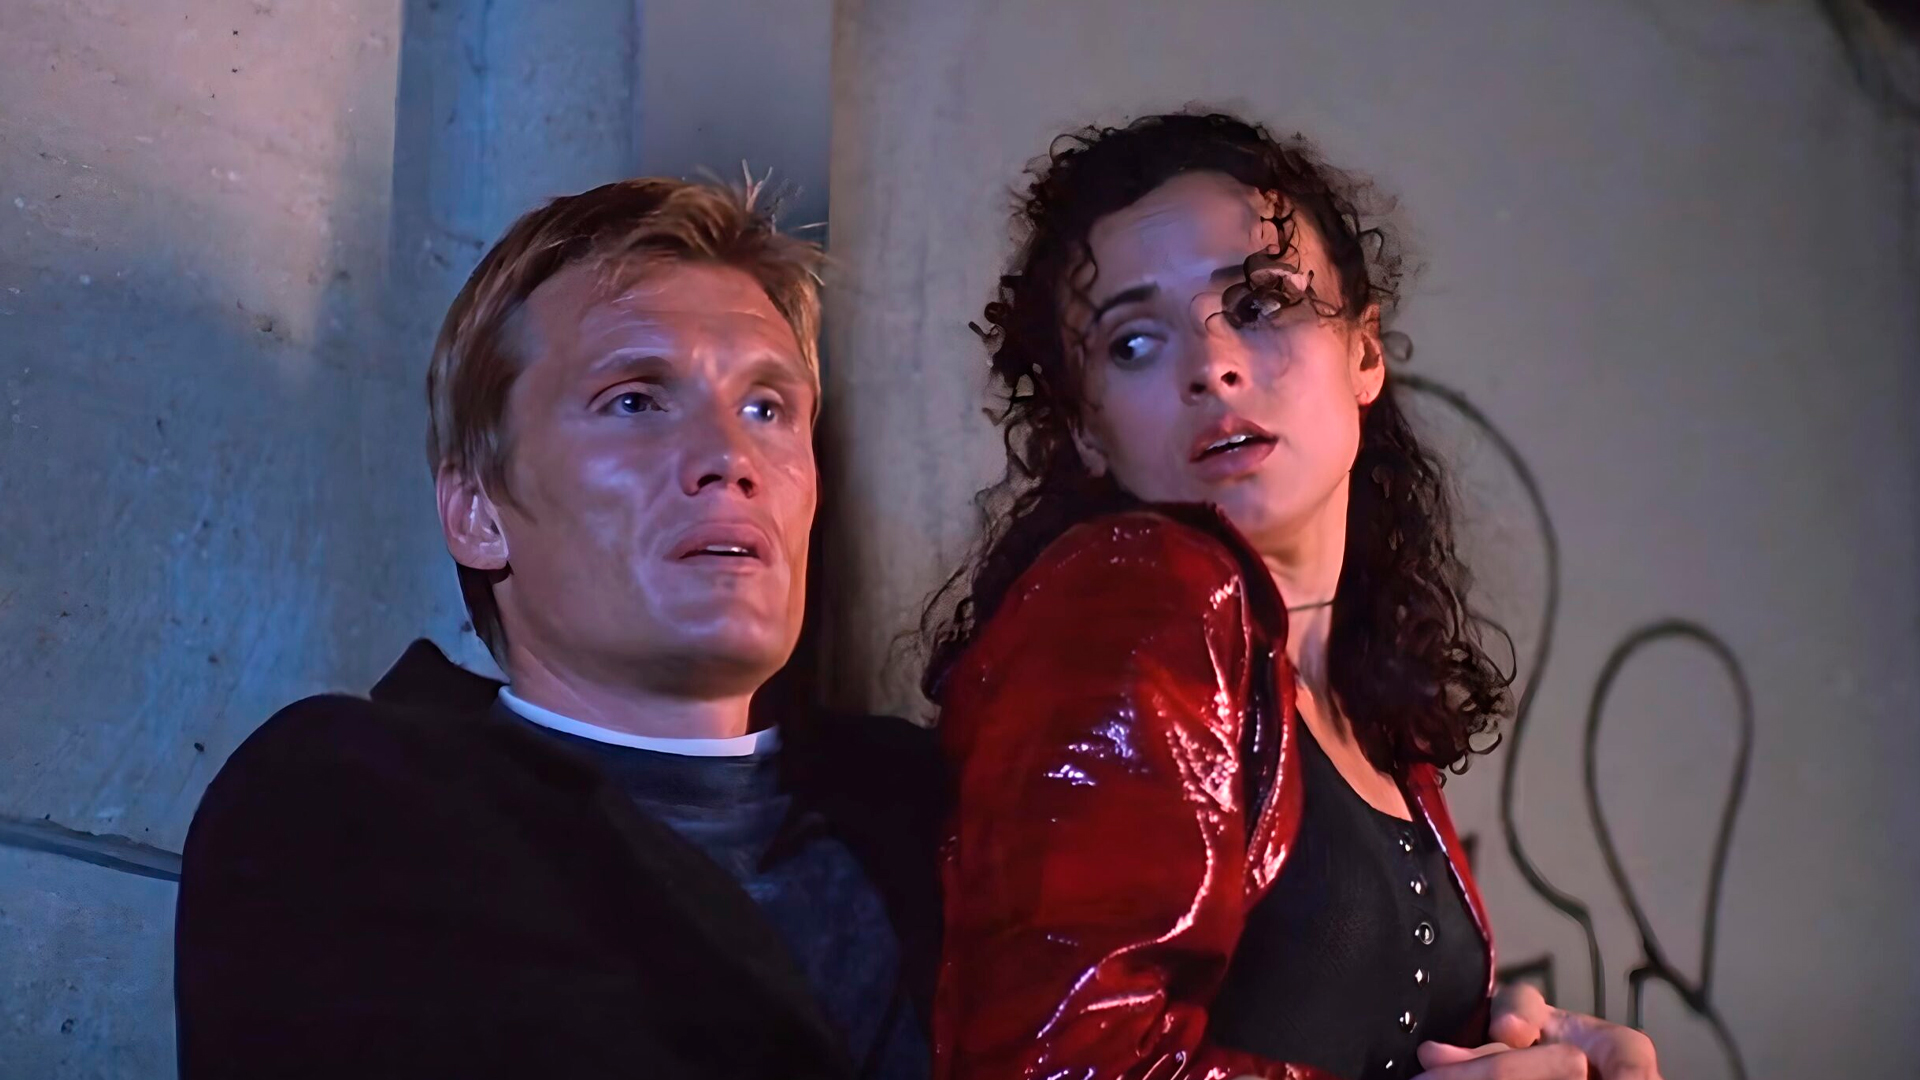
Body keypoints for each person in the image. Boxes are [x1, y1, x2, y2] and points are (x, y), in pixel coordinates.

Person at [922, 112, 1661, 1080]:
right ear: (1089, 432)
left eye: (1261, 302)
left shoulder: (1352, 693)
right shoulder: (1139, 595)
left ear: (1365, 353)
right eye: (1134, 343)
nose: (1211, 367)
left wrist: (1513, 1043)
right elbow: (1055, 1063)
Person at [174, 177, 939, 1080]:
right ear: (477, 513)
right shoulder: (356, 806)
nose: (731, 458)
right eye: (635, 400)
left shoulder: (941, 811)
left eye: (767, 408)